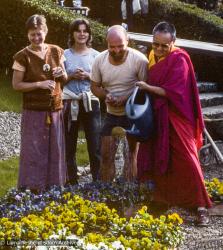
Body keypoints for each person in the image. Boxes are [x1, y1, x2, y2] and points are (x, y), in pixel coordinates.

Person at [136, 21, 212, 226]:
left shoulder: (180, 59)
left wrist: (147, 87)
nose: (159, 49)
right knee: (160, 157)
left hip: (178, 115)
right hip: (157, 116)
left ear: (173, 43)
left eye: (164, 45)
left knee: (188, 159)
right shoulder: (151, 57)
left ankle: (200, 205)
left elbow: (173, 92)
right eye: (156, 44)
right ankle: (162, 200)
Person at [12, 14, 67, 192]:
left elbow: (65, 78)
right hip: (34, 110)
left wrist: (61, 75)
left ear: (46, 31)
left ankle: (54, 187)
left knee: (55, 150)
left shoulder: (56, 51)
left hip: (55, 109)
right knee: (34, 151)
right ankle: (32, 189)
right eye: (32, 34)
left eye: (39, 33)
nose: (36, 38)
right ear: (27, 35)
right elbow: (16, 85)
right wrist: (39, 84)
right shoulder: (22, 56)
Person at [91, 25, 148, 182]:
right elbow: (94, 86)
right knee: (106, 154)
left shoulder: (139, 60)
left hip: (132, 114)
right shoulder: (99, 60)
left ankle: (130, 190)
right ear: (106, 44)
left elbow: (145, 88)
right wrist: (106, 95)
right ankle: (107, 191)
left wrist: (126, 98)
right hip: (111, 113)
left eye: (120, 46)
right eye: (112, 47)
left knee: (130, 155)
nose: (116, 50)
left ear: (127, 41)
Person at [62, 18, 101, 184]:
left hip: (90, 101)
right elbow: (60, 81)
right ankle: (71, 182)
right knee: (69, 144)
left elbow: (103, 81)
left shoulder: (97, 56)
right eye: (78, 30)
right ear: (72, 33)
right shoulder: (64, 54)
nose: (82, 34)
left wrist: (88, 76)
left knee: (94, 143)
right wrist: (71, 76)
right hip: (70, 101)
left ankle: (97, 181)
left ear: (89, 34)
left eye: (85, 31)